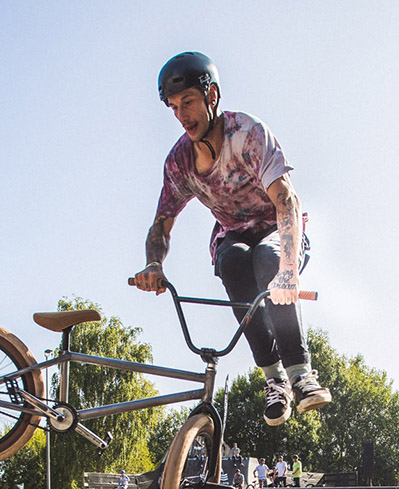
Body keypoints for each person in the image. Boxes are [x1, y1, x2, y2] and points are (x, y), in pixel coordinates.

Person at [129, 52, 332, 428]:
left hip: (279, 229)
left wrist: (289, 270)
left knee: (268, 261)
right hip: (234, 234)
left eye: (188, 102)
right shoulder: (180, 162)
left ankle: (301, 374)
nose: (182, 115)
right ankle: (274, 379)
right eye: (173, 107)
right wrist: (154, 265)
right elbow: (161, 224)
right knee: (232, 261)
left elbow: (285, 199)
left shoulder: (247, 134)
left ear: (212, 95)